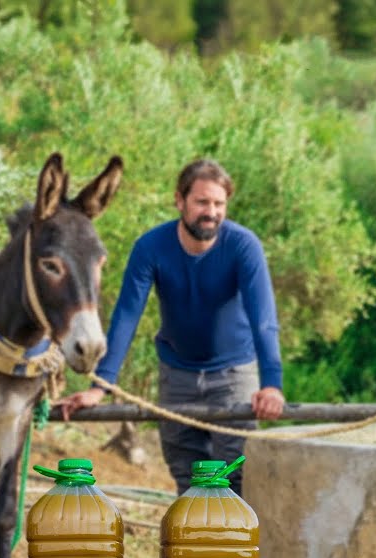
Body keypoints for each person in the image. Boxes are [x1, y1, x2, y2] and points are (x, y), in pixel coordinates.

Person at [58, 159, 285, 497]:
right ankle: (192, 549)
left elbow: (263, 319)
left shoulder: (243, 246)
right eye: (202, 202)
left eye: (219, 204)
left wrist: (271, 385)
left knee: (236, 476)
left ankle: (233, 549)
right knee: (186, 476)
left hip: (235, 374)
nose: (211, 212)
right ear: (180, 201)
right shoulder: (151, 247)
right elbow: (126, 318)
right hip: (178, 375)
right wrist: (100, 387)